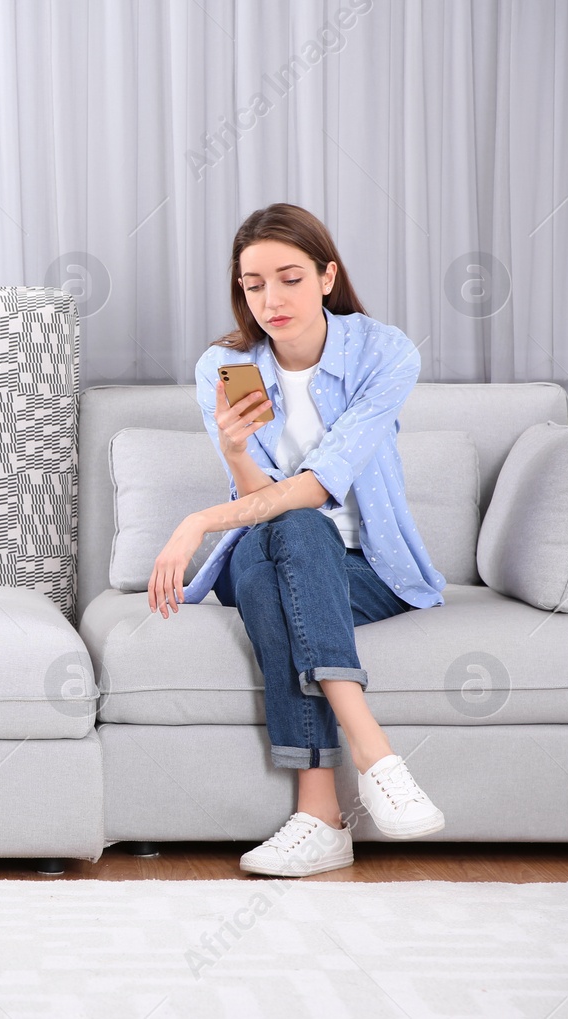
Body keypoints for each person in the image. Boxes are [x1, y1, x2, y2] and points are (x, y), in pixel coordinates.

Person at [148, 203, 446, 878]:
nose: (270, 300)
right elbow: (259, 499)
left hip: (365, 568)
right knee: (278, 536)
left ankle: (320, 815)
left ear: (326, 276)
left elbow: (322, 481)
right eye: (254, 285)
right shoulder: (224, 367)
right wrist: (232, 449)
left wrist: (195, 521)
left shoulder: (385, 353)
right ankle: (378, 760)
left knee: (286, 543)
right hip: (263, 541)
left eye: (288, 278)